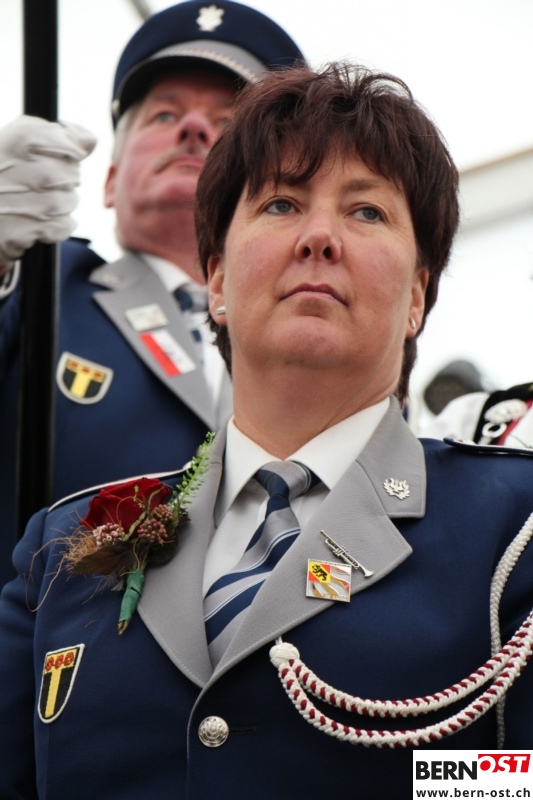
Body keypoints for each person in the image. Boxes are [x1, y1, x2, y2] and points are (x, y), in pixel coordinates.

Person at [1, 63, 532, 799]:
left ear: (417, 295)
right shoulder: (64, 550)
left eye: (366, 212)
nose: (319, 237)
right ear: (216, 281)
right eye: (281, 204)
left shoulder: (514, 529)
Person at [0, 0, 305, 585]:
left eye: (227, 124)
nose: (193, 129)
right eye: (164, 115)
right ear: (111, 178)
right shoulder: (43, 284)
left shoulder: (320, 326)